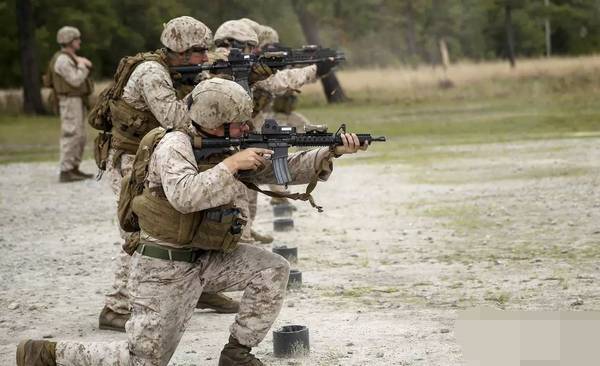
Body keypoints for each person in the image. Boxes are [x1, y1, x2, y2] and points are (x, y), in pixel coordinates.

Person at [16, 77, 367, 366]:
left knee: (273, 269)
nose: (246, 126)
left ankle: (236, 355)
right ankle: (47, 354)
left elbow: (284, 170)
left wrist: (329, 151)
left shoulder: (227, 146)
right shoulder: (175, 145)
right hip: (166, 268)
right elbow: (186, 195)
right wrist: (232, 166)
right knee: (142, 360)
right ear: (215, 120)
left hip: (209, 258)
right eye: (238, 121)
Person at [97, 15, 236, 334]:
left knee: (188, 219)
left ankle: (201, 287)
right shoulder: (151, 73)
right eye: (201, 51)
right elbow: (176, 120)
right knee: (140, 233)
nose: (205, 57)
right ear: (182, 50)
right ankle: (115, 307)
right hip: (133, 162)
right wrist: (205, 88)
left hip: (153, 158)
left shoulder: (173, 68)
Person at [44, 26, 94, 182]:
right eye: (76, 39)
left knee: (79, 135)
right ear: (69, 41)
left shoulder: (69, 57)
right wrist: (82, 65)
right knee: (71, 133)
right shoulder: (62, 60)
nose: (79, 41)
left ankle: (74, 168)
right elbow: (75, 80)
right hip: (69, 100)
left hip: (76, 100)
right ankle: (66, 170)